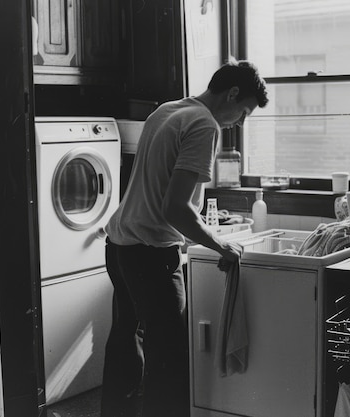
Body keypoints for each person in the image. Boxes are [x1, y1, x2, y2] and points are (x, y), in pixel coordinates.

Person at [100, 60, 269, 417]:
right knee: (170, 359)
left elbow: (159, 192)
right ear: (232, 93)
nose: (240, 122)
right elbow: (175, 209)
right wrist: (219, 244)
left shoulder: (168, 110)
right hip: (150, 253)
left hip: (119, 245)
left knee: (126, 342)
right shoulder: (204, 124)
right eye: (243, 112)